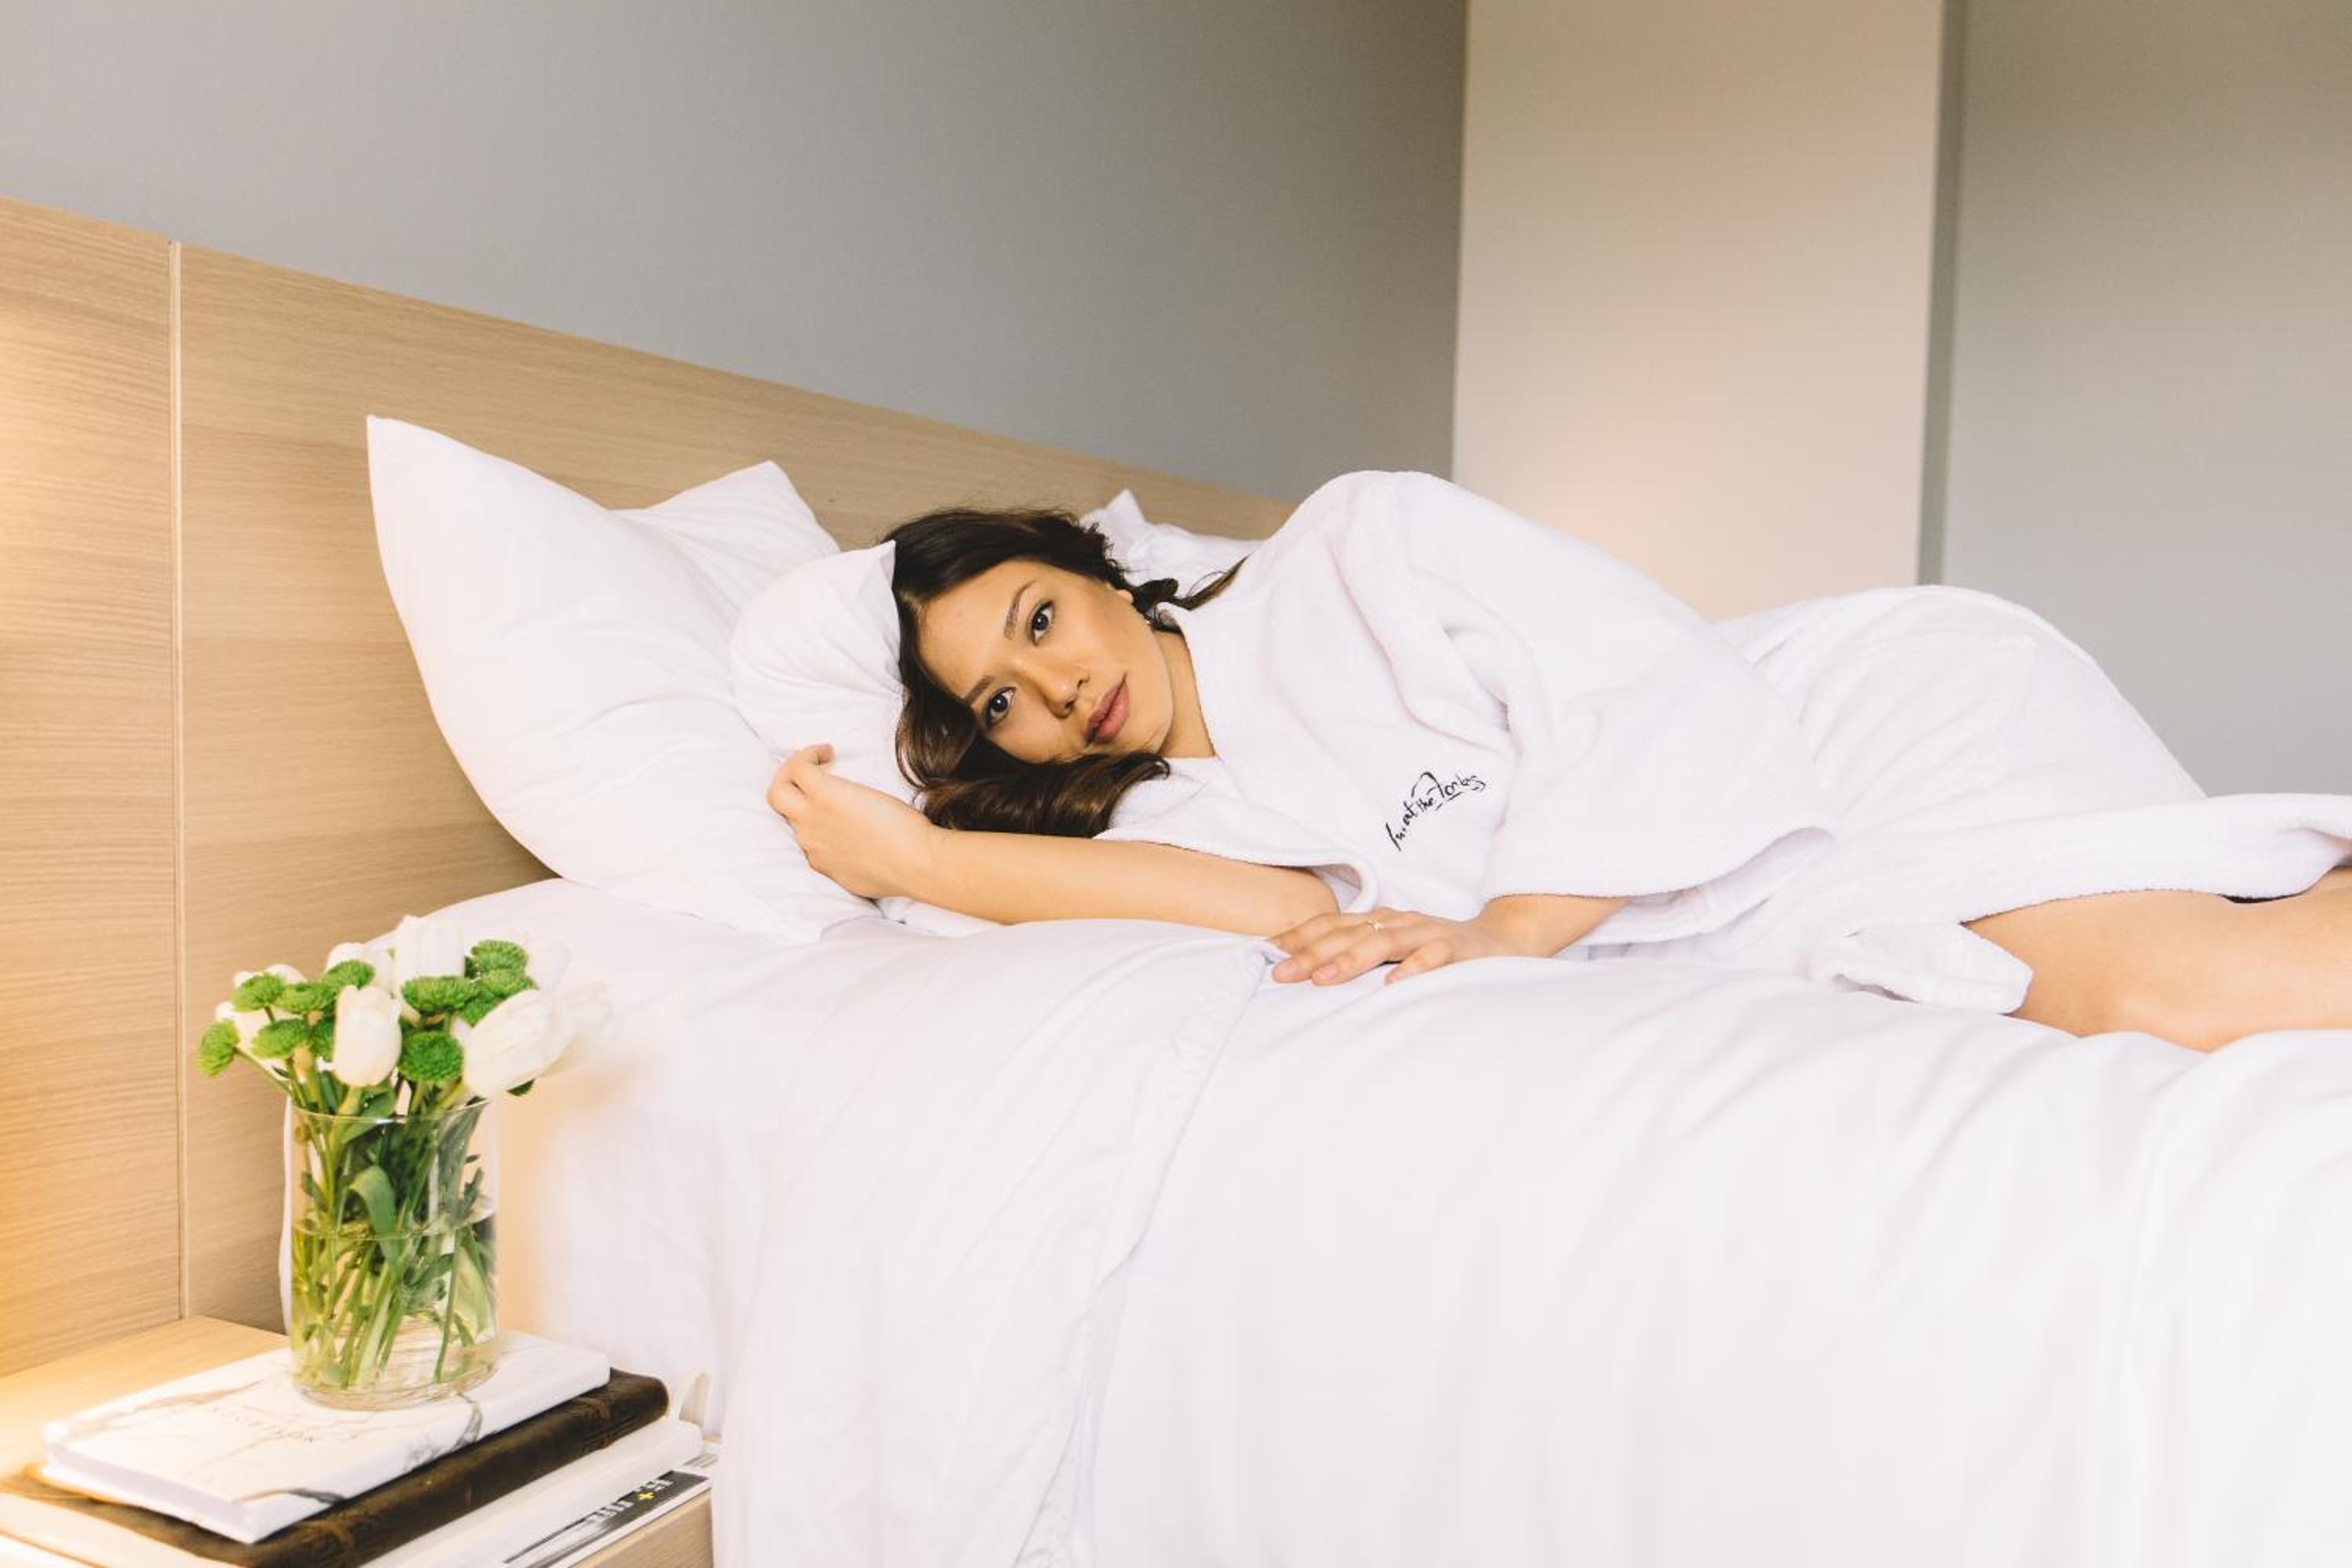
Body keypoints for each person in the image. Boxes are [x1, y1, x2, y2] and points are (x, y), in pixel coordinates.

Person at [763, 472, 2352, 1054]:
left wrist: (1512, 926)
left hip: (1840, 734)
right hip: (1729, 889)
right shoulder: (1162, 818)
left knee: (2181, 1000)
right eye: (999, 703)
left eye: (1041, 619)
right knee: (2172, 995)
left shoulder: (1357, 547)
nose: (1055, 686)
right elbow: (1277, 913)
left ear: (1106, 572)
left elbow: (1635, 670)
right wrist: (918, 856)